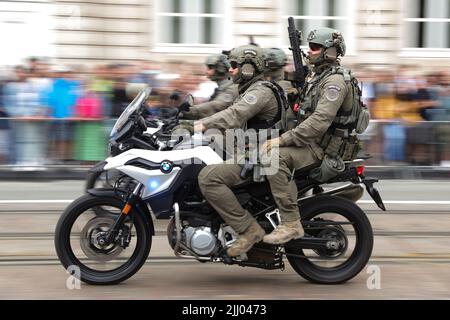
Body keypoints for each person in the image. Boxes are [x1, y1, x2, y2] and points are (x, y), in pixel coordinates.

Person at [263, 27, 367, 245]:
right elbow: (301, 112)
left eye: (315, 47)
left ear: (330, 51)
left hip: (324, 149)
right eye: (308, 47)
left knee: (273, 158)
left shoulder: (335, 82)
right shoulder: (317, 78)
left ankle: (290, 223)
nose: (309, 52)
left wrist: (281, 140)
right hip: (313, 144)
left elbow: (319, 122)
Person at [195, 44, 284, 257]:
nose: (231, 70)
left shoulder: (260, 91)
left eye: (234, 66)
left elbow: (234, 114)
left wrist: (201, 124)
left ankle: (249, 230)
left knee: (208, 179)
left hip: (261, 157)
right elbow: (230, 116)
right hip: (252, 152)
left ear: (248, 68)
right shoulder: (250, 89)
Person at [180, 54, 238, 120]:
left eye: (210, 68)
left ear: (220, 69)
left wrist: (191, 110)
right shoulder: (220, 88)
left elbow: (216, 107)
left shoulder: (231, 88)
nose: (206, 72)